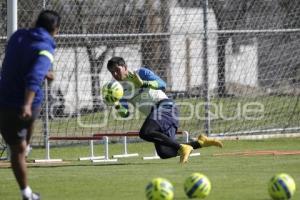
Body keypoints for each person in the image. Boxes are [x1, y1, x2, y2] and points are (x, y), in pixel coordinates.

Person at [106, 57, 223, 164]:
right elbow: (125, 114)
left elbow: (163, 84)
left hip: (166, 107)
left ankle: (183, 147)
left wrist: (143, 83)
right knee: (165, 153)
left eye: (117, 70)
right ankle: (201, 142)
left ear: (125, 67)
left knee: (145, 132)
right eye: (112, 72)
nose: (115, 74)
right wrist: (116, 104)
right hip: (156, 116)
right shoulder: (118, 90)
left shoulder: (141, 73)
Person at [0, 10, 60, 200]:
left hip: (2, 98)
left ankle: (26, 192)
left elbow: (16, 63)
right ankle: (25, 146)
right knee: (18, 150)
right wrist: (26, 104)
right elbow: (34, 77)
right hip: (22, 104)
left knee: (15, 148)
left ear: (35, 22)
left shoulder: (17, 36)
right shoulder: (46, 46)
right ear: (55, 30)